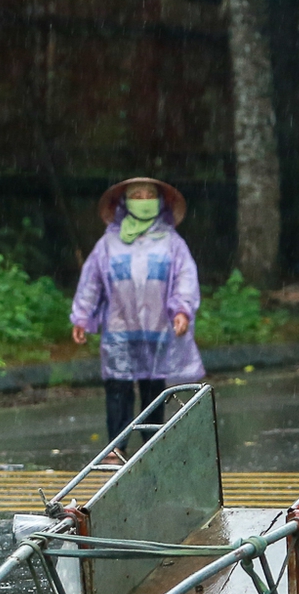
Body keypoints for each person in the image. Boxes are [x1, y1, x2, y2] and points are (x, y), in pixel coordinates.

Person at [70, 177, 205, 441]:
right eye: (137, 195)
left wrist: (182, 309)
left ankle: (150, 447)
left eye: (149, 196)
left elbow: (185, 278)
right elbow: (91, 282)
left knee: (153, 389)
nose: (143, 201)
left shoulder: (172, 243)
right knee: (118, 387)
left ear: (160, 202)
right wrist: (82, 317)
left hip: (157, 328)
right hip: (119, 329)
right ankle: (116, 448)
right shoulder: (108, 244)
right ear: (125, 202)